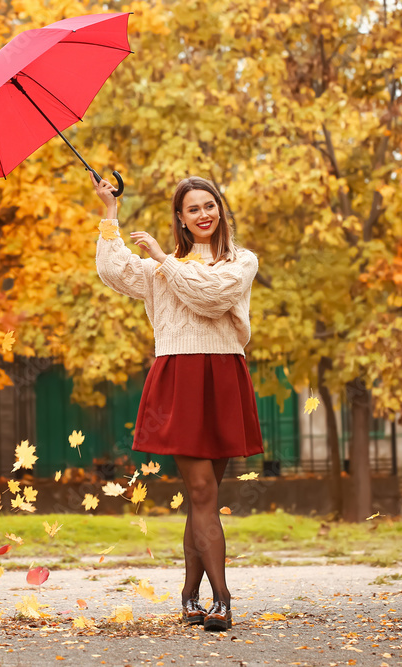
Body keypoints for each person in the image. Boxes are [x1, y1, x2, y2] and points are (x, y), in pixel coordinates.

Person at [94, 174, 263, 632]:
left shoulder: (241, 261)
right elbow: (114, 270)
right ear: (181, 219)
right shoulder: (157, 271)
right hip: (180, 376)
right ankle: (222, 600)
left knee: (202, 495)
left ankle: (190, 595)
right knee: (204, 492)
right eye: (193, 209)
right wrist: (110, 214)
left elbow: (210, 297)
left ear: (220, 211)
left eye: (210, 205)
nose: (204, 214)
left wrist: (164, 260)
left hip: (225, 375)